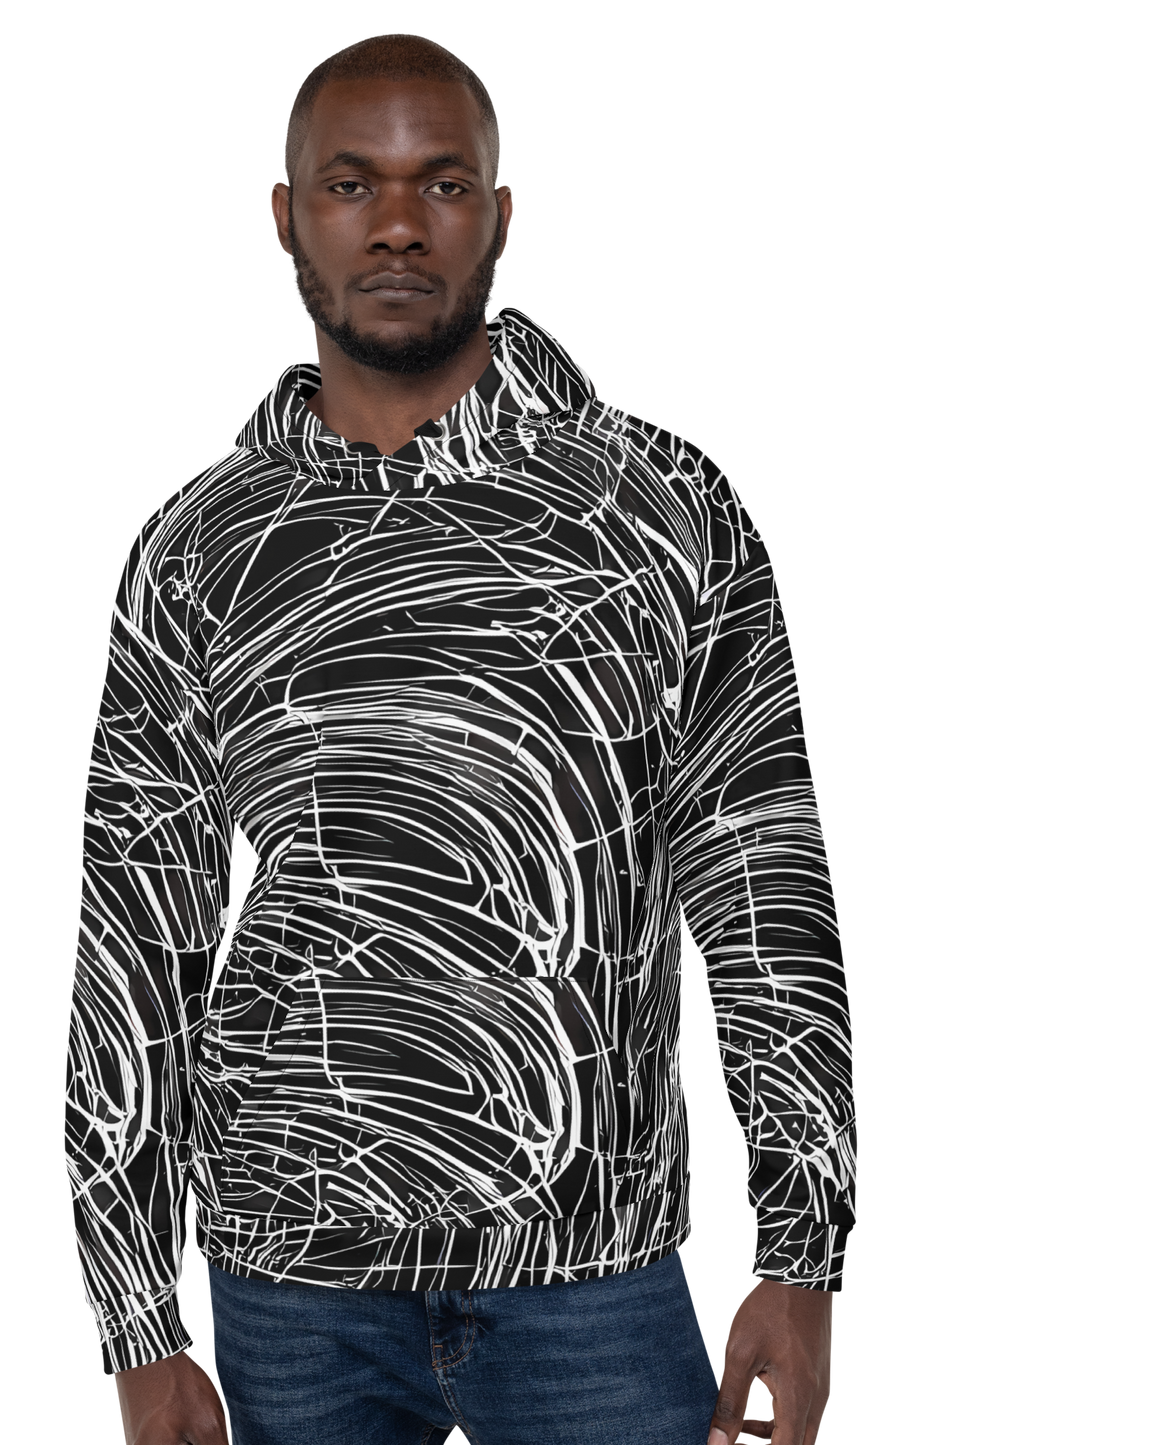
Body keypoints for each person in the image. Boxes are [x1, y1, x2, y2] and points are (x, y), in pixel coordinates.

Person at [63, 28, 859, 1445]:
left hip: (595, 1288)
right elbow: (133, 944)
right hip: (291, 1299)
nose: (397, 225)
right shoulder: (197, 549)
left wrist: (803, 1254)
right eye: (350, 183)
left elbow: (761, 881)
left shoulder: (662, 508)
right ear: (283, 213)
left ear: (502, 213)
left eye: (442, 183)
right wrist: (136, 1321)